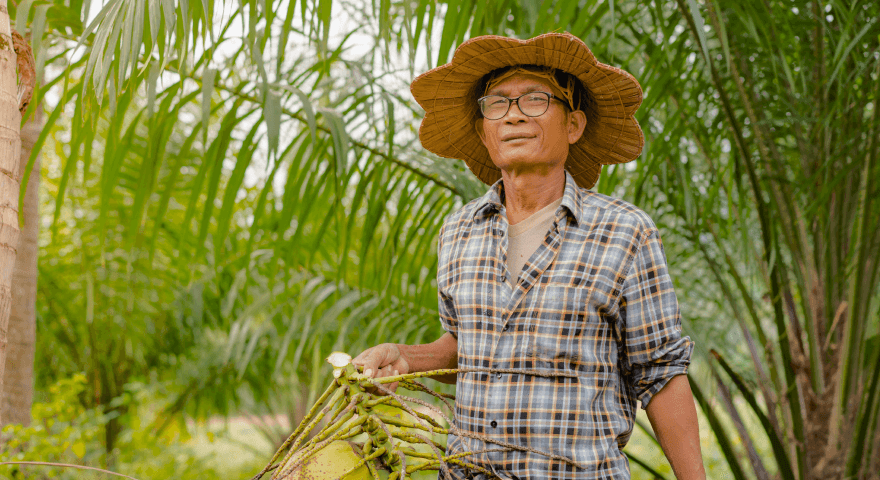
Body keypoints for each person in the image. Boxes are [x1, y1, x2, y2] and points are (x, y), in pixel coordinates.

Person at [353, 32, 705, 479]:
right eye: (497, 104)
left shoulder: (624, 232)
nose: (513, 115)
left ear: (573, 126)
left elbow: (660, 373)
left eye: (535, 100)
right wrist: (403, 358)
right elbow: (468, 349)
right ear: (485, 130)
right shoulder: (459, 231)